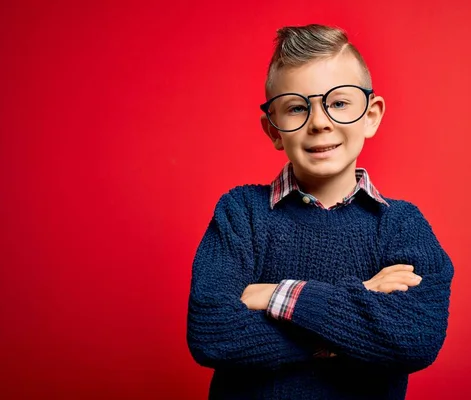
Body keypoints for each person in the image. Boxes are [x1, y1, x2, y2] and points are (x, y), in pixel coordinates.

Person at [186, 23, 454, 400]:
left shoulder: (401, 226)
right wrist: (360, 303)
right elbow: (212, 333)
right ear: (274, 130)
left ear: (372, 115)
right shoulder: (240, 212)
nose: (320, 122)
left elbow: (414, 340)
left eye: (340, 103)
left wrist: (276, 296)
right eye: (297, 108)